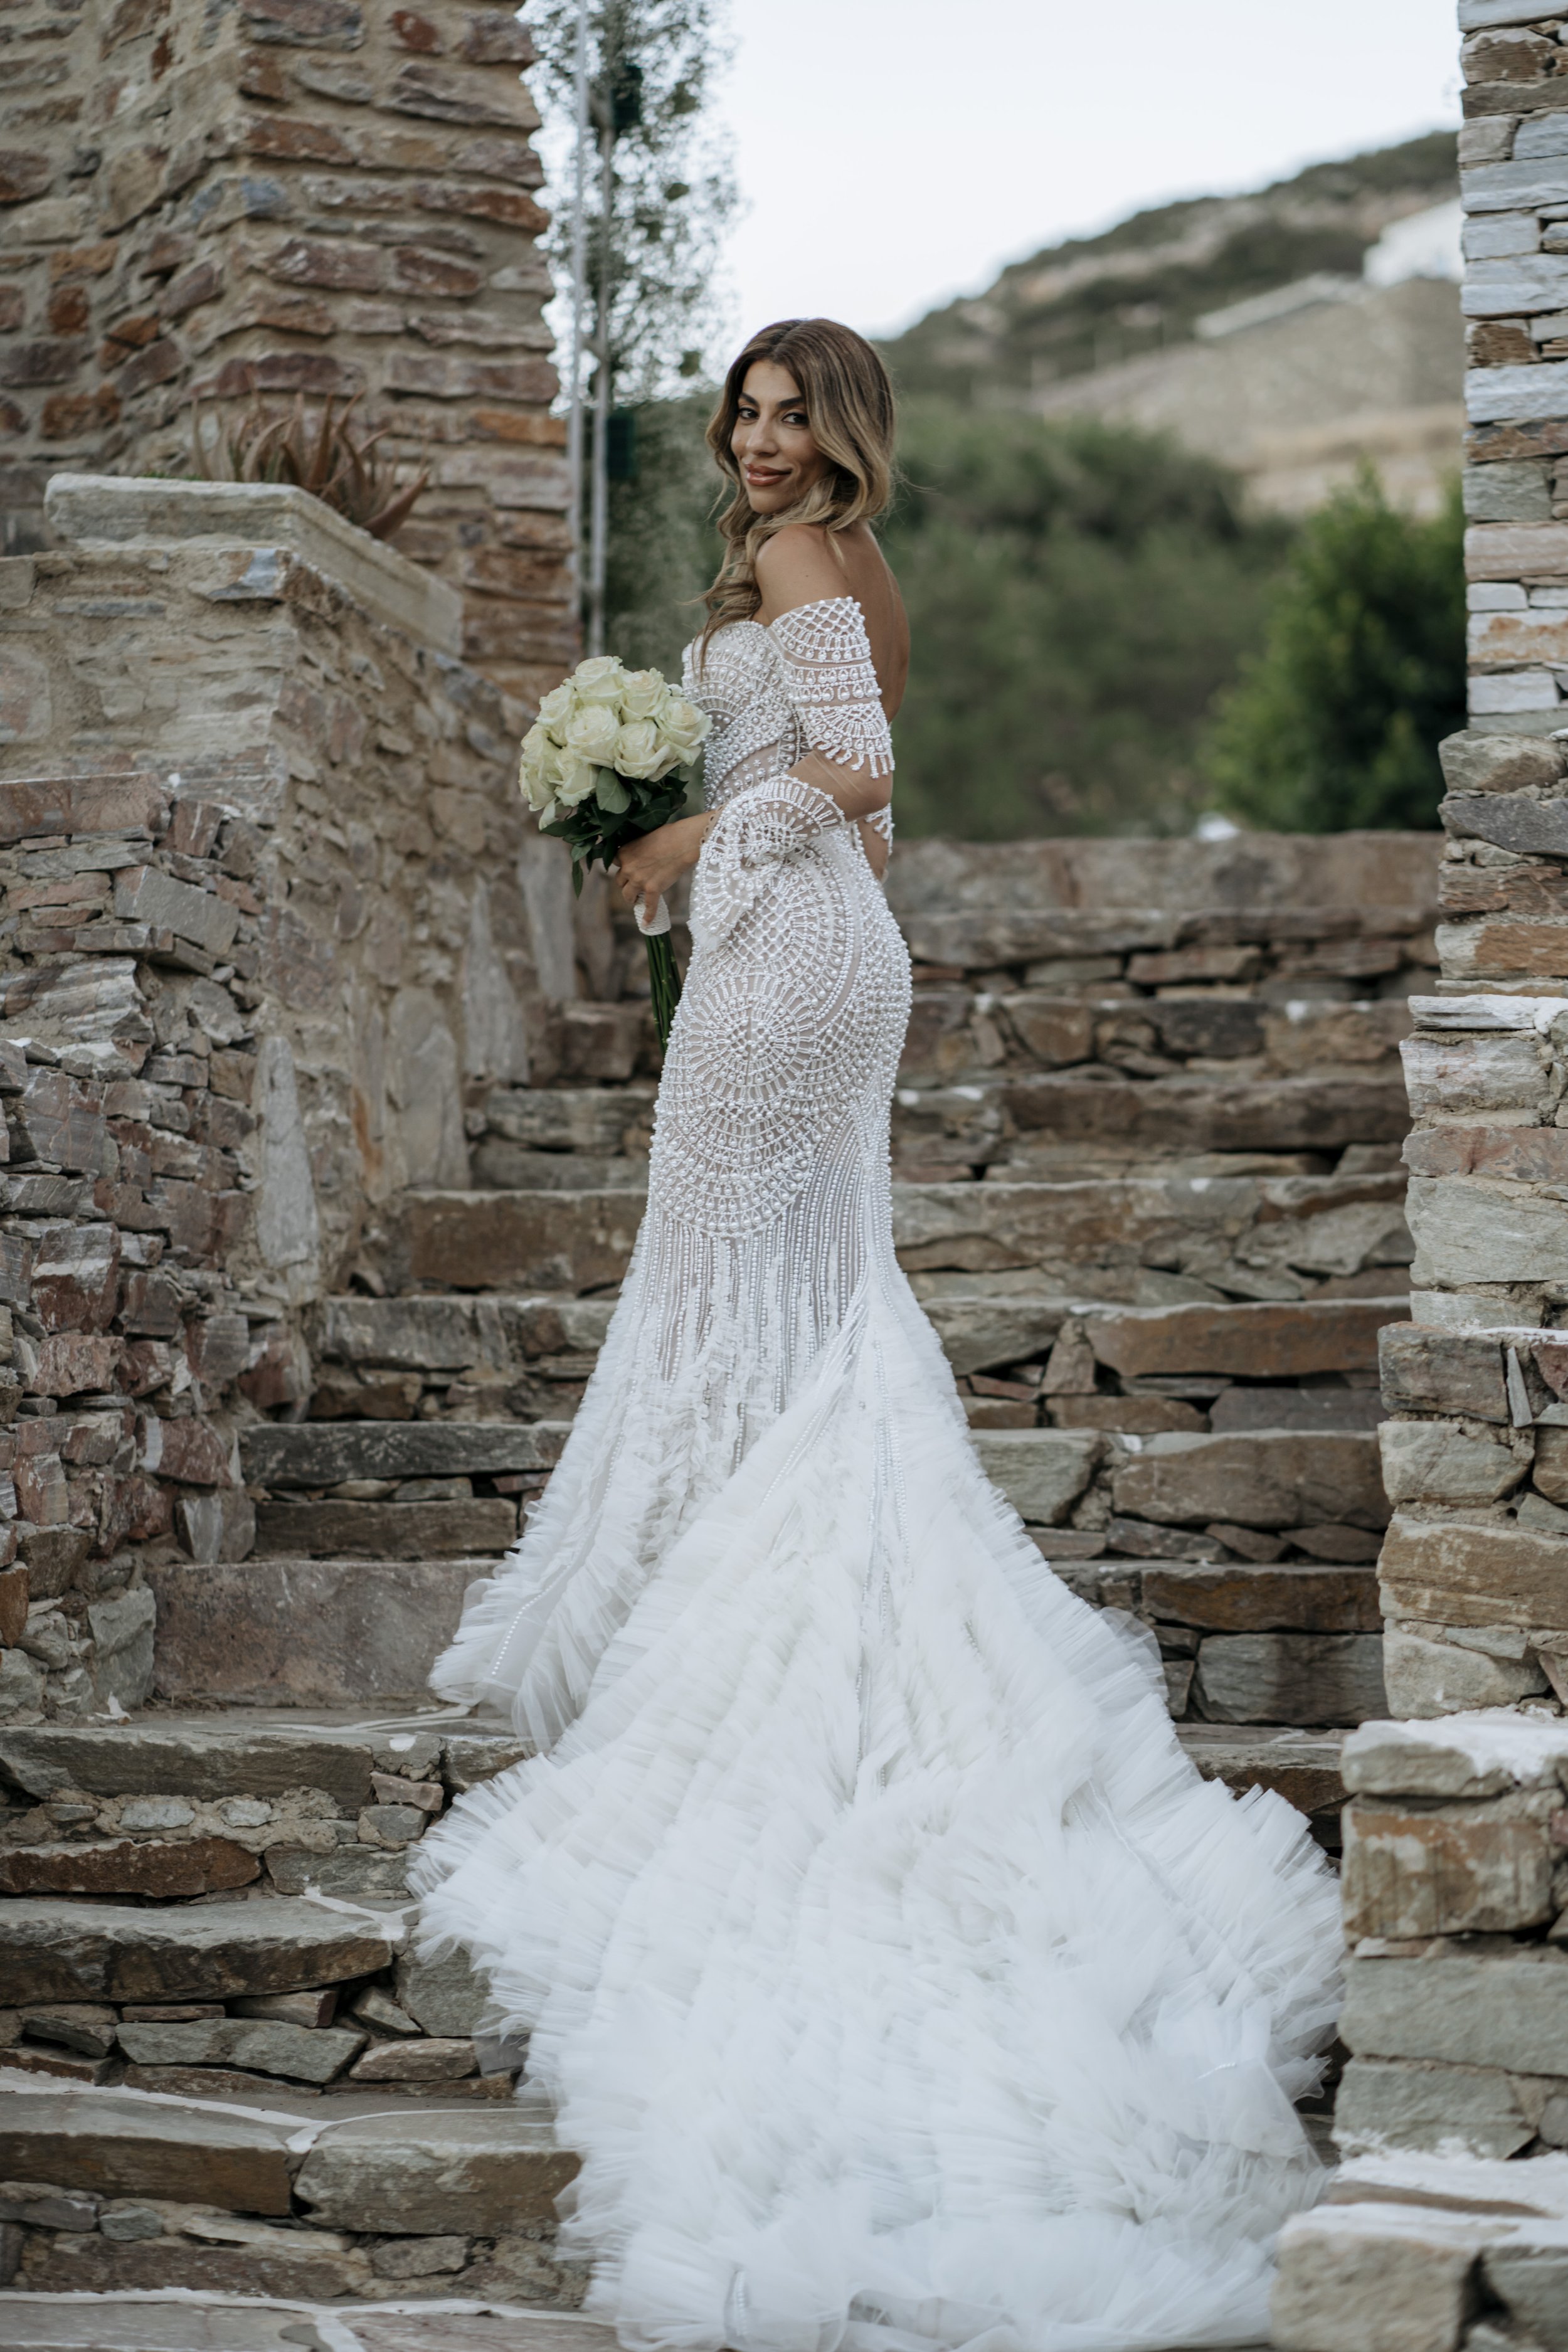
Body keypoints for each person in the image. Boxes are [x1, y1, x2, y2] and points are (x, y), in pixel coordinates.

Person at [413, 317, 1342, 2352]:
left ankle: (727, 1624)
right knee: (772, 1287)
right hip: (815, 950)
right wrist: (696, 853)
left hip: (796, 959)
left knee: (731, 1271)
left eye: (788, 412)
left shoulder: (812, 568)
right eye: (740, 412)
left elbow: (861, 777)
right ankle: (726, 1580)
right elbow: (854, 815)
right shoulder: (817, 576)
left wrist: (692, 844)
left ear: (843, 435)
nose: (756, 442)